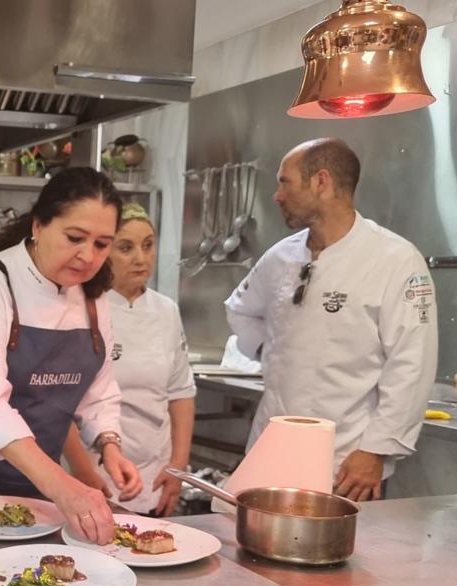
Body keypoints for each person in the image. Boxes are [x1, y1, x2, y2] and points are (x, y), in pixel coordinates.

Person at [0, 167, 143, 545]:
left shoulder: (94, 297)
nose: (88, 256)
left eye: (102, 244)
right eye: (75, 238)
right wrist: (63, 485)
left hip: (36, 479)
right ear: (38, 225)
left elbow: (99, 391)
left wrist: (109, 447)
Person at [224, 138, 437, 501]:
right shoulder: (280, 257)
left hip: (346, 462)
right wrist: (271, 351)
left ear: (320, 182)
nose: (276, 195)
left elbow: (411, 365)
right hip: (271, 452)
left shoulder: (395, 260)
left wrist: (375, 451)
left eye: (284, 181)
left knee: (343, 555)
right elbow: (240, 310)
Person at [64, 204, 195, 516]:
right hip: (91, 472)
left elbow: (180, 392)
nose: (141, 258)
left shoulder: (166, 311)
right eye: (126, 247)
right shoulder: (76, 307)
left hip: (155, 478)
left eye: (148, 245)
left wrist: (177, 467)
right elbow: (60, 405)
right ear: (104, 252)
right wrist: (85, 476)